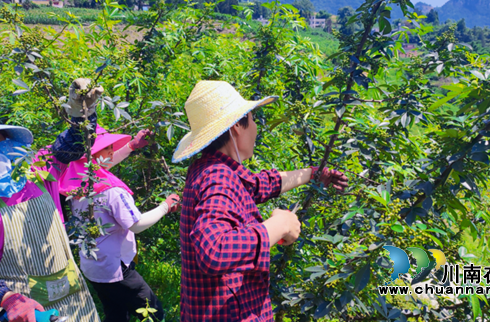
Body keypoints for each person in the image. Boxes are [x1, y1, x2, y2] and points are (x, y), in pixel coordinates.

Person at [172, 81, 349, 322]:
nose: (255, 128)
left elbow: (256, 185)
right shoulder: (218, 177)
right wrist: (278, 226)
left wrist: (314, 174)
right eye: (253, 119)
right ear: (236, 127)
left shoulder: (210, 167)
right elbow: (214, 250)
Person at [0, 78, 103, 322]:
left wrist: (82, 112)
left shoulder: (37, 170)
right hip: (16, 312)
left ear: (7, 140)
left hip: (72, 301)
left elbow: (72, 144)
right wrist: (7, 299)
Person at [59, 125, 180, 322]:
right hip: (117, 270)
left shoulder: (76, 183)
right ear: (93, 154)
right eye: (106, 148)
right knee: (155, 314)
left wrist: (132, 146)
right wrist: (165, 206)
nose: (112, 150)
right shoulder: (112, 191)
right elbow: (137, 224)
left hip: (94, 266)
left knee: (115, 315)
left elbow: (101, 164)